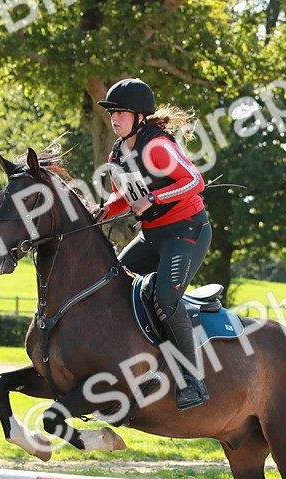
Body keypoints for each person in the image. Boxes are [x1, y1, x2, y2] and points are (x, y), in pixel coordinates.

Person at [93, 78, 212, 411]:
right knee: (115, 281)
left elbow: (194, 181)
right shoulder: (116, 153)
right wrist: (104, 209)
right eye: (112, 113)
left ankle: (192, 381)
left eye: (121, 113)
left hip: (186, 232)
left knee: (165, 299)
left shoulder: (156, 146)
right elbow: (126, 196)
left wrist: (154, 197)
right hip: (152, 235)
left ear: (140, 117)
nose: (114, 118)